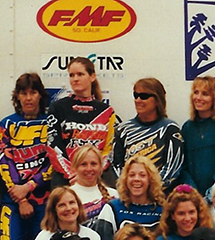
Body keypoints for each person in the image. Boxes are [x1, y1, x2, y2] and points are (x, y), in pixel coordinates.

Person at [0, 72, 53, 240]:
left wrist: (30, 187)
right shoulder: (6, 124)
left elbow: (55, 160)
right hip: (13, 201)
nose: (28, 98)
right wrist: (19, 197)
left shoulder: (52, 123)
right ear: (17, 96)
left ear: (41, 94)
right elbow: (3, 160)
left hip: (44, 201)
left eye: (33, 92)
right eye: (23, 93)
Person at [46, 56, 116, 187]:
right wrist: (73, 174)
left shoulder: (106, 111)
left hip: (98, 177)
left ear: (92, 76)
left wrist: (92, 173)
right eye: (71, 75)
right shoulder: (57, 107)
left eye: (80, 74)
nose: (75, 79)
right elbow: (53, 145)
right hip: (66, 178)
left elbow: (110, 149)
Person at [110, 78, 185, 192]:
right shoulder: (123, 129)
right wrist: (131, 188)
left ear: (157, 100)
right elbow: (116, 165)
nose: (138, 100)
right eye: (136, 95)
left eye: (144, 96)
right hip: (130, 196)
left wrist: (151, 191)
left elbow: (173, 167)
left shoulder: (170, 129)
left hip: (160, 198)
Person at [95, 155, 165, 240]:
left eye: (142, 175)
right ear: (125, 179)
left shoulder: (163, 210)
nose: (136, 179)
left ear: (151, 180)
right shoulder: (112, 208)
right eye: (132, 175)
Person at [68, 144, 118, 229]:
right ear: (75, 167)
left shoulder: (115, 195)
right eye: (83, 164)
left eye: (93, 164)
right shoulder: (66, 196)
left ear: (101, 167)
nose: (89, 169)